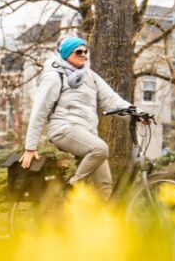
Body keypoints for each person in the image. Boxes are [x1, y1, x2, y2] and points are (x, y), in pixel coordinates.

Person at [21, 36, 143, 200]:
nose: (84, 55)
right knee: (100, 149)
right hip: (63, 130)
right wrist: (30, 147)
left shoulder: (89, 75)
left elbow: (111, 100)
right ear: (66, 54)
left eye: (86, 51)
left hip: (87, 134)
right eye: (79, 51)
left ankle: (85, 214)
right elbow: (40, 110)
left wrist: (137, 113)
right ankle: (72, 187)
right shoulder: (54, 76)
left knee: (105, 188)